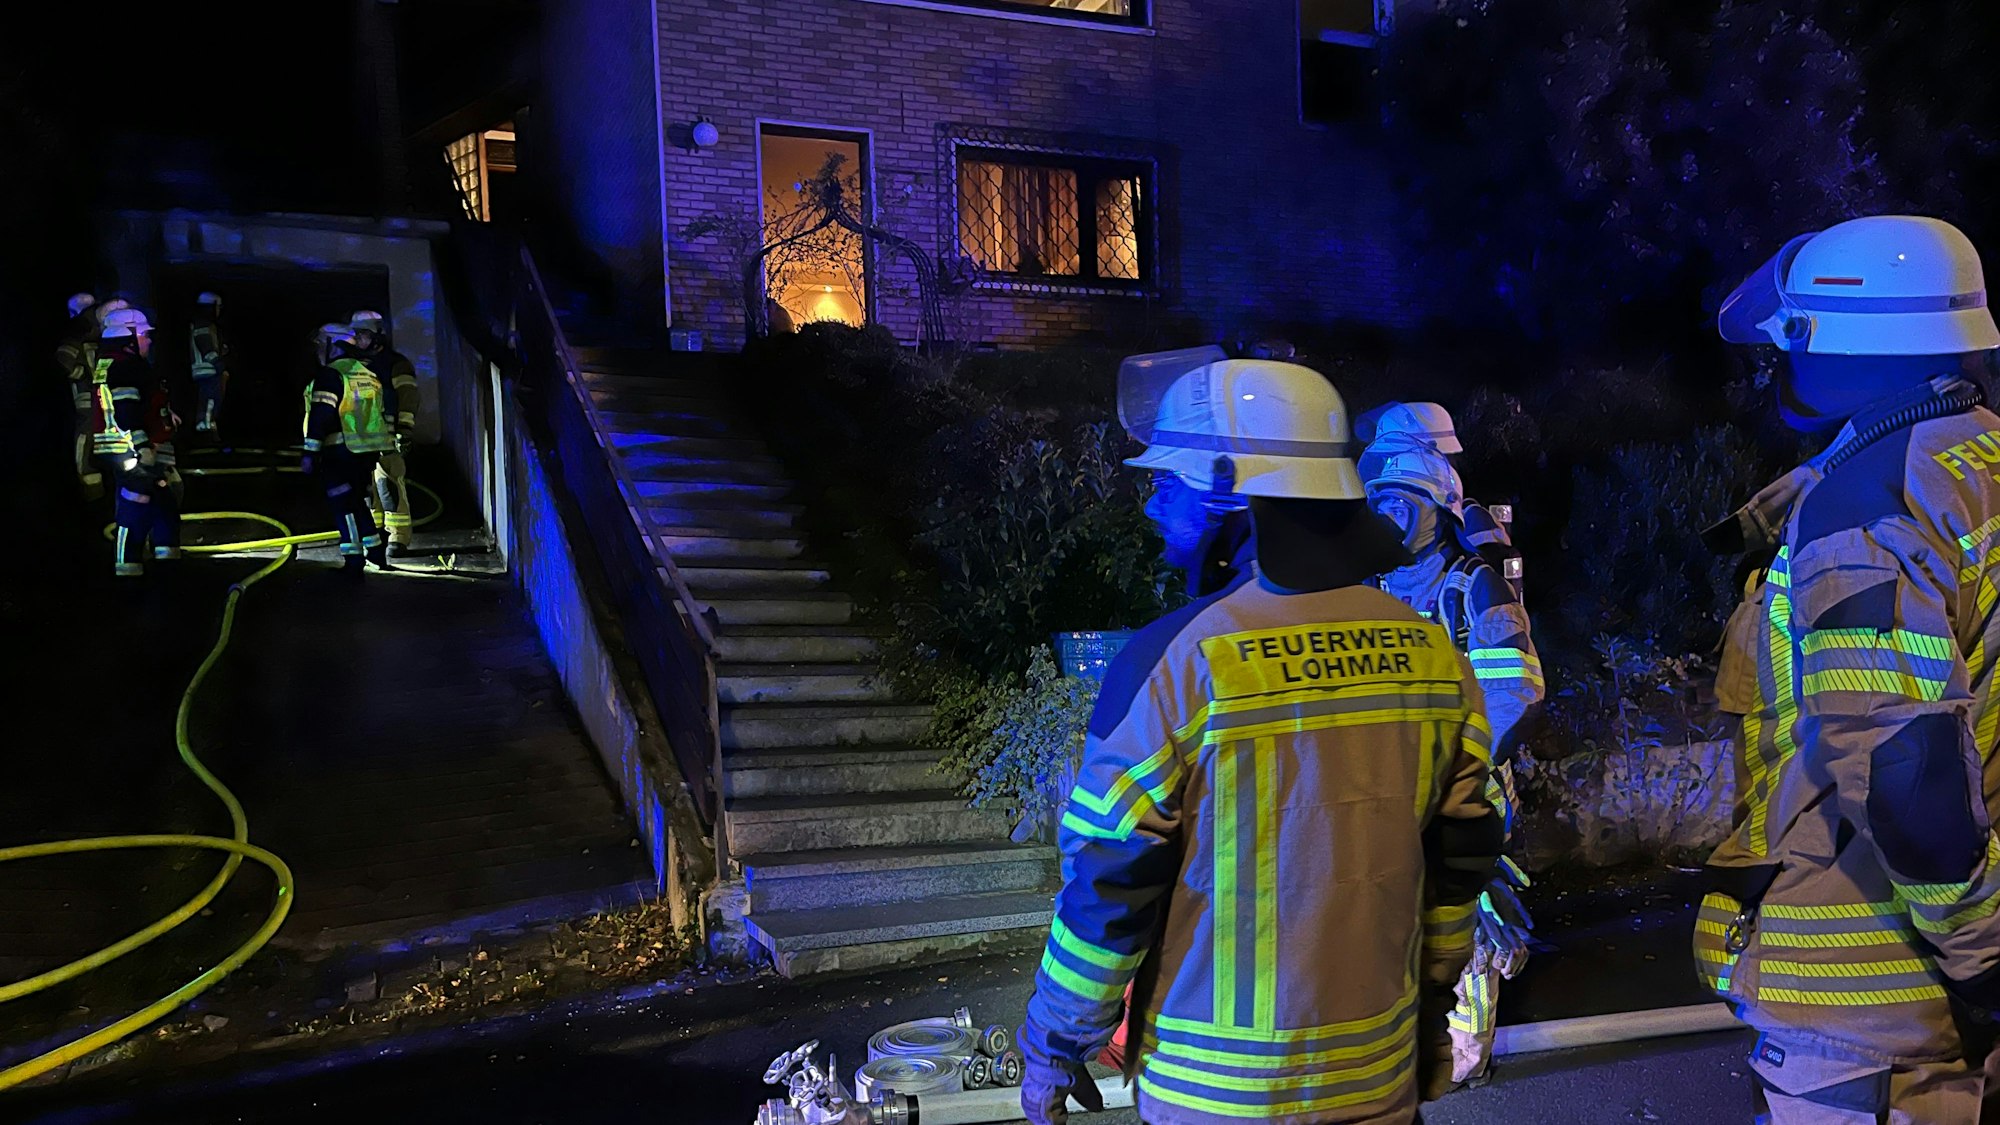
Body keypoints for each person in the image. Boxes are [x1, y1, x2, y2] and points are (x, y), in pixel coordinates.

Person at [1019, 355, 1502, 1125]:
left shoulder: (1175, 661)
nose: (1151, 506)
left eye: (1167, 484)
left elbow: (1109, 882)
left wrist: (1054, 1040)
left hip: (1215, 1096)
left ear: (1227, 491)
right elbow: (1459, 862)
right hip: (1378, 1081)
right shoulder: (1431, 655)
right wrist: (1434, 1015)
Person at [1696, 215, 2000, 1122]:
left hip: (1871, 1012)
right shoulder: (1976, 460)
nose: (1774, 370)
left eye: (1786, 343)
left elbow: (1908, 776)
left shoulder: (1870, 503)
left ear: (1832, 338)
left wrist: (1985, 964)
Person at [1361, 431, 1545, 1087]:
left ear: (1435, 505)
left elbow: (1517, 697)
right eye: (1374, 497)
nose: (1381, 511)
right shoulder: (1371, 595)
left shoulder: (1474, 592)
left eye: (1396, 499)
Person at [1369, 402, 1525, 599]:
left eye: (1391, 457)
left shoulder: (1471, 523)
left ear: (1428, 455)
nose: (1388, 465)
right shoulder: (1391, 512)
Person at [92, 307, 180, 579]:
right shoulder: (126, 366)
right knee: (137, 503)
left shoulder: (114, 363)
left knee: (163, 498)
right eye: (144, 335)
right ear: (129, 337)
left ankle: (166, 560)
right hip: (133, 450)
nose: (149, 341)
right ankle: (127, 569)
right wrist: (142, 447)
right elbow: (127, 408)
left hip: (125, 448)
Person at [301, 323, 395, 575]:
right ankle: (375, 550)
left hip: (339, 451)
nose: (319, 349)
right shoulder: (367, 373)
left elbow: (321, 416)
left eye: (322, 344)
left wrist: (310, 453)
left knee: (342, 503)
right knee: (356, 500)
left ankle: (354, 560)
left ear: (333, 345)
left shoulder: (331, 375)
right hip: (367, 452)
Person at [349, 310, 420, 553]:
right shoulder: (356, 365)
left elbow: (408, 396)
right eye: (356, 335)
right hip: (360, 438)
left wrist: (405, 429)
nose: (358, 340)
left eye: (363, 335)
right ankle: (375, 532)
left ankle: (398, 537)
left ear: (378, 336)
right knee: (368, 488)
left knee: (388, 485)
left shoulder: (396, 365)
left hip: (387, 436)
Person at [58, 293, 104, 498]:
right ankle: (91, 493)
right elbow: (62, 363)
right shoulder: (76, 337)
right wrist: (84, 377)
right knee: (85, 446)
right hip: (89, 400)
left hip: (100, 400)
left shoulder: (95, 335)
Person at [188, 291, 228, 439]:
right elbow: (206, 346)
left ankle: (207, 424)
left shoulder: (205, 323)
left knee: (210, 398)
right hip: (206, 369)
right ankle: (205, 427)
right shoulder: (203, 323)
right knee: (210, 398)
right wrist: (219, 363)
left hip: (206, 369)